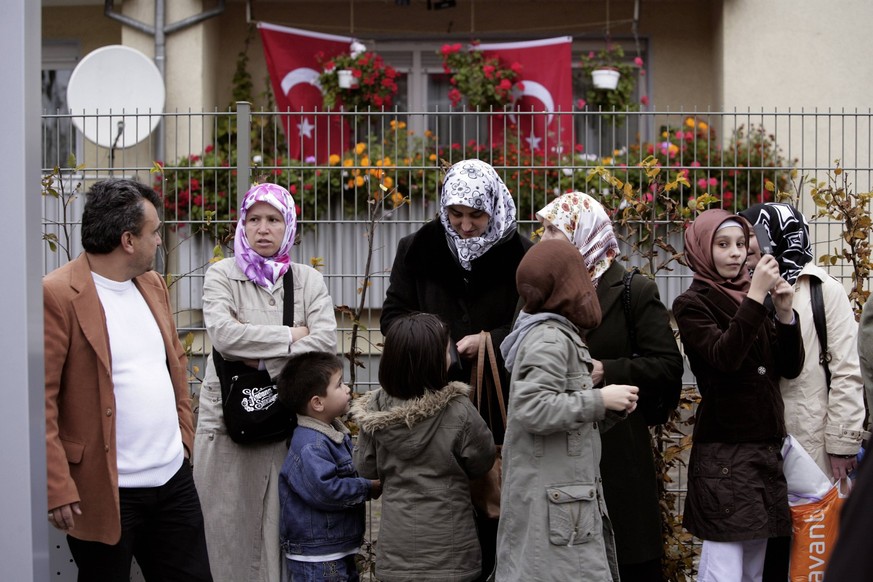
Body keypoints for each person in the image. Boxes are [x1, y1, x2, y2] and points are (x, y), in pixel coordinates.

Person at [44, 178, 212, 581]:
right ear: (128, 240)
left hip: (173, 481)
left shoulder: (152, 285)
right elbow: (42, 400)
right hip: (103, 491)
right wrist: (58, 485)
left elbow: (175, 362)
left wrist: (184, 442)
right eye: (154, 232)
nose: (160, 241)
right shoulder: (58, 295)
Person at [380, 158, 532, 577]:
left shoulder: (522, 254)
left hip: (497, 399)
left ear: (495, 207)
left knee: (495, 506)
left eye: (477, 215)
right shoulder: (417, 248)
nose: (465, 226)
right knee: (441, 509)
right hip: (432, 403)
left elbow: (530, 321)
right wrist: (437, 343)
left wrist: (491, 341)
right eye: (456, 214)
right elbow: (393, 316)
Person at [536, 191, 684, 581]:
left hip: (617, 454)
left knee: (625, 557)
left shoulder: (634, 290)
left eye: (555, 230)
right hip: (557, 453)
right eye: (545, 228)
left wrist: (608, 370)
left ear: (583, 233)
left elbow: (668, 366)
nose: (545, 238)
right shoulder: (544, 290)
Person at [194, 182, 337, 582]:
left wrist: (255, 352)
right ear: (242, 224)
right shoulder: (221, 274)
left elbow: (326, 342)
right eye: (253, 219)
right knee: (226, 535)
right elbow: (223, 336)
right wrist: (292, 336)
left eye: (273, 219)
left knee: (278, 536)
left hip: (279, 421)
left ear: (288, 225)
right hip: (228, 424)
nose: (263, 229)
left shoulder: (307, 279)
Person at [496, 238, 639, 582]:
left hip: (563, 501)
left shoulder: (557, 335)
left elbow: (563, 425)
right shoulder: (549, 339)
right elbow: (532, 409)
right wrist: (599, 401)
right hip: (556, 509)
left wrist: (608, 409)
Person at [672, 209, 804, 582]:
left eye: (741, 244)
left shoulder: (752, 299)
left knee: (753, 569)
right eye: (722, 244)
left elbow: (788, 368)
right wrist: (757, 296)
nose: (735, 253)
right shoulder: (692, 303)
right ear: (701, 249)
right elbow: (723, 359)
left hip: (762, 451)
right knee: (724, 569)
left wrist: (784, 313)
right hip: (725, 456)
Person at [739, 202, 867, 581]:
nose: (747, 249)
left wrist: (842, 445)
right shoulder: (741, 285)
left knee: (807, 549)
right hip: (757, 442)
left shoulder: (822, 290)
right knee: (765, 551)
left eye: (752, 237)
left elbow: (847, 370)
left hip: (810, 442)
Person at [351, 313, 497, 582]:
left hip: (397, 552)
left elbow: (365, 467)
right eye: (447, 346)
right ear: (434, 360)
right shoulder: (459, 409)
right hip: (453, 552)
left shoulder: (374, 410)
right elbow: (483, 460)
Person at [276, 351, 381, 582]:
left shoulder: (328, 433)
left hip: (332, 548)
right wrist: (367, 487)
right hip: (319, 557)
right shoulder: (310, 445)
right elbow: (327, 491)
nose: (347, 389)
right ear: (317, 402)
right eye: (340, 384)